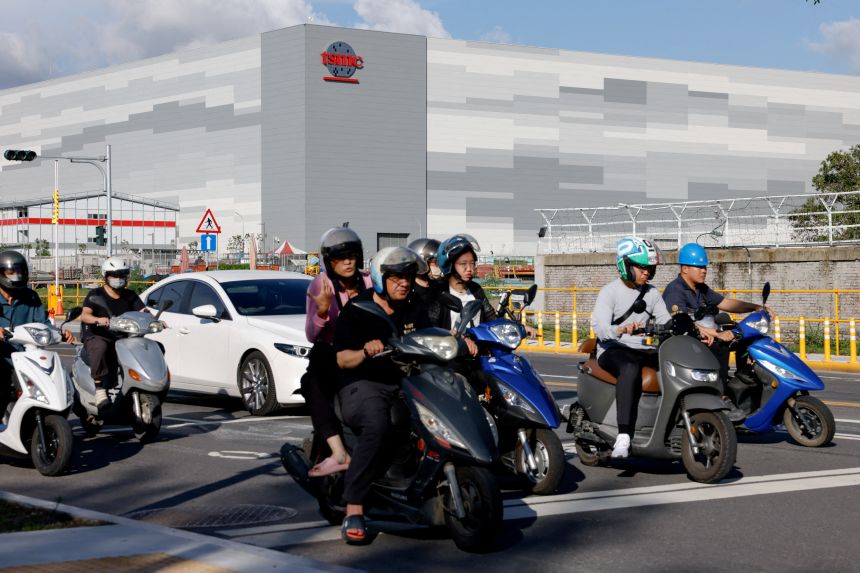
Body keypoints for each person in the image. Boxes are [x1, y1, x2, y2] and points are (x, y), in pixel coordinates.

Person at [333, 246, 429, 545]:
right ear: (379, 277)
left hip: (408, 381)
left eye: (409, 277)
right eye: (397, 277)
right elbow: (341, 359)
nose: (404, 282)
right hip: (364, 383)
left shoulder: (415, 307)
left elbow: (431, 337)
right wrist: (364, 351)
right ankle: (355, 507)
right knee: (378, 426)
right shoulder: (358, 311)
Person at [662, 243, 774, 420]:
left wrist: (756, 307)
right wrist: (716, 333)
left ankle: (744, 383)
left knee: (745, 339)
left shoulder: (701, 289)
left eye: (704, 267)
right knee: (720, 344)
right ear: (684, 268)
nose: (703, 271)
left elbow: (726, 303)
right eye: (698, 267)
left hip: (703, 337)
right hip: (684, 342)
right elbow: (681, 322)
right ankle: (720, 396)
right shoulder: (675, 291)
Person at [591, 237, 671, 459]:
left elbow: (666, 320)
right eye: (642, 267)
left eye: (650, 268)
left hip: (643, 349)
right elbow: (601, 329)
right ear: (626, 266)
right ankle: (624, 436)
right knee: (629, 367)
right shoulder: (609, 292)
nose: (647, 272)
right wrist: (622, 330)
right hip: (613, 349)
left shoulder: (652, 293)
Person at [302, 227, 372, 478]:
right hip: (331, 354)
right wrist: (322, 312)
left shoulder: (369, 280)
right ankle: (339, 452)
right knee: (312, 382)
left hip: (368, 353)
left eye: (351, 256)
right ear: (329, 262)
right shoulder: (322, 284)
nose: (347, 262)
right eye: (340, 258)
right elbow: (311, 334)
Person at [0, 251, 75, 419]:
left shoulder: (30, 296)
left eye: (20, 272)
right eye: (11, 272)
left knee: (54, 381)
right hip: (2, 357)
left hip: (26, 356)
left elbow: (43, 323)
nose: (16, 276)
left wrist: (60, 333)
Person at [78, 257, 145, 410]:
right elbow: (85, 315)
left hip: (124, 337)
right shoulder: (95, 294)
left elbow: (143, 311)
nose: (119, 279)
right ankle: (100, 388)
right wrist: (98, 320)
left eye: (122, 275)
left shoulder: (130, 295)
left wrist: (153, 320)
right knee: (99, 347)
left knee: (154, 346)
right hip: (100, 335)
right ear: (106, 276)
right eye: (114, 275)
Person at [428, 234, 497, 331]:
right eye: (463, 264)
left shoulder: (476, 289)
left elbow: (491, 317)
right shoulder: (439, 292)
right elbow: (431, 326)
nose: (469, 269)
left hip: (478, 345)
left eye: (472, 263)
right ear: (449, 265)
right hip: (451, 345)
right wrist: (447, 334)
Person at [406, 237, 442, 306]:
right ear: (421, 262)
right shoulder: (408, 290)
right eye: (436, 262)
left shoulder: (440, 288)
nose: (439, 267)